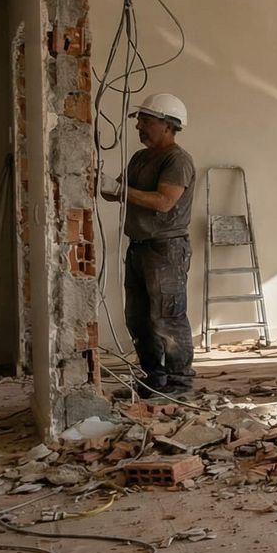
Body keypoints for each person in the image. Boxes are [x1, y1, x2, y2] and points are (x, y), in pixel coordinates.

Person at [101, 93, 197, 398]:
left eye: (146, 120)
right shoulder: (140, 158)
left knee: (167, 317)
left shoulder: (176, 160)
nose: (139, 126)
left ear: (168, 125)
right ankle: (153, 378)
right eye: (139, 120)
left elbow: (164, 202)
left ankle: (180, 383)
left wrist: (120, 189)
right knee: (138, 317)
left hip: (166, 249)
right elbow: (116, 193)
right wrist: (103, 183)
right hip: (140, 246)